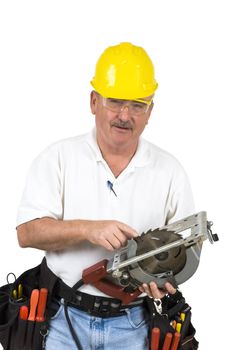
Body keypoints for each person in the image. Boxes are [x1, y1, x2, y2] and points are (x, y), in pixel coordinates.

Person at [16, 42, 195, 350]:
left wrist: (165, 282)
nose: (124, 115)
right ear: (94, 101)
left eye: (138, 104)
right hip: (62, 319)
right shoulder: (58, 158)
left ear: (150, 111)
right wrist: (89, 229)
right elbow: (26, 233)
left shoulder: (170, 171)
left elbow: (186, 252)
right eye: (115, 102)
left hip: (135, 324)